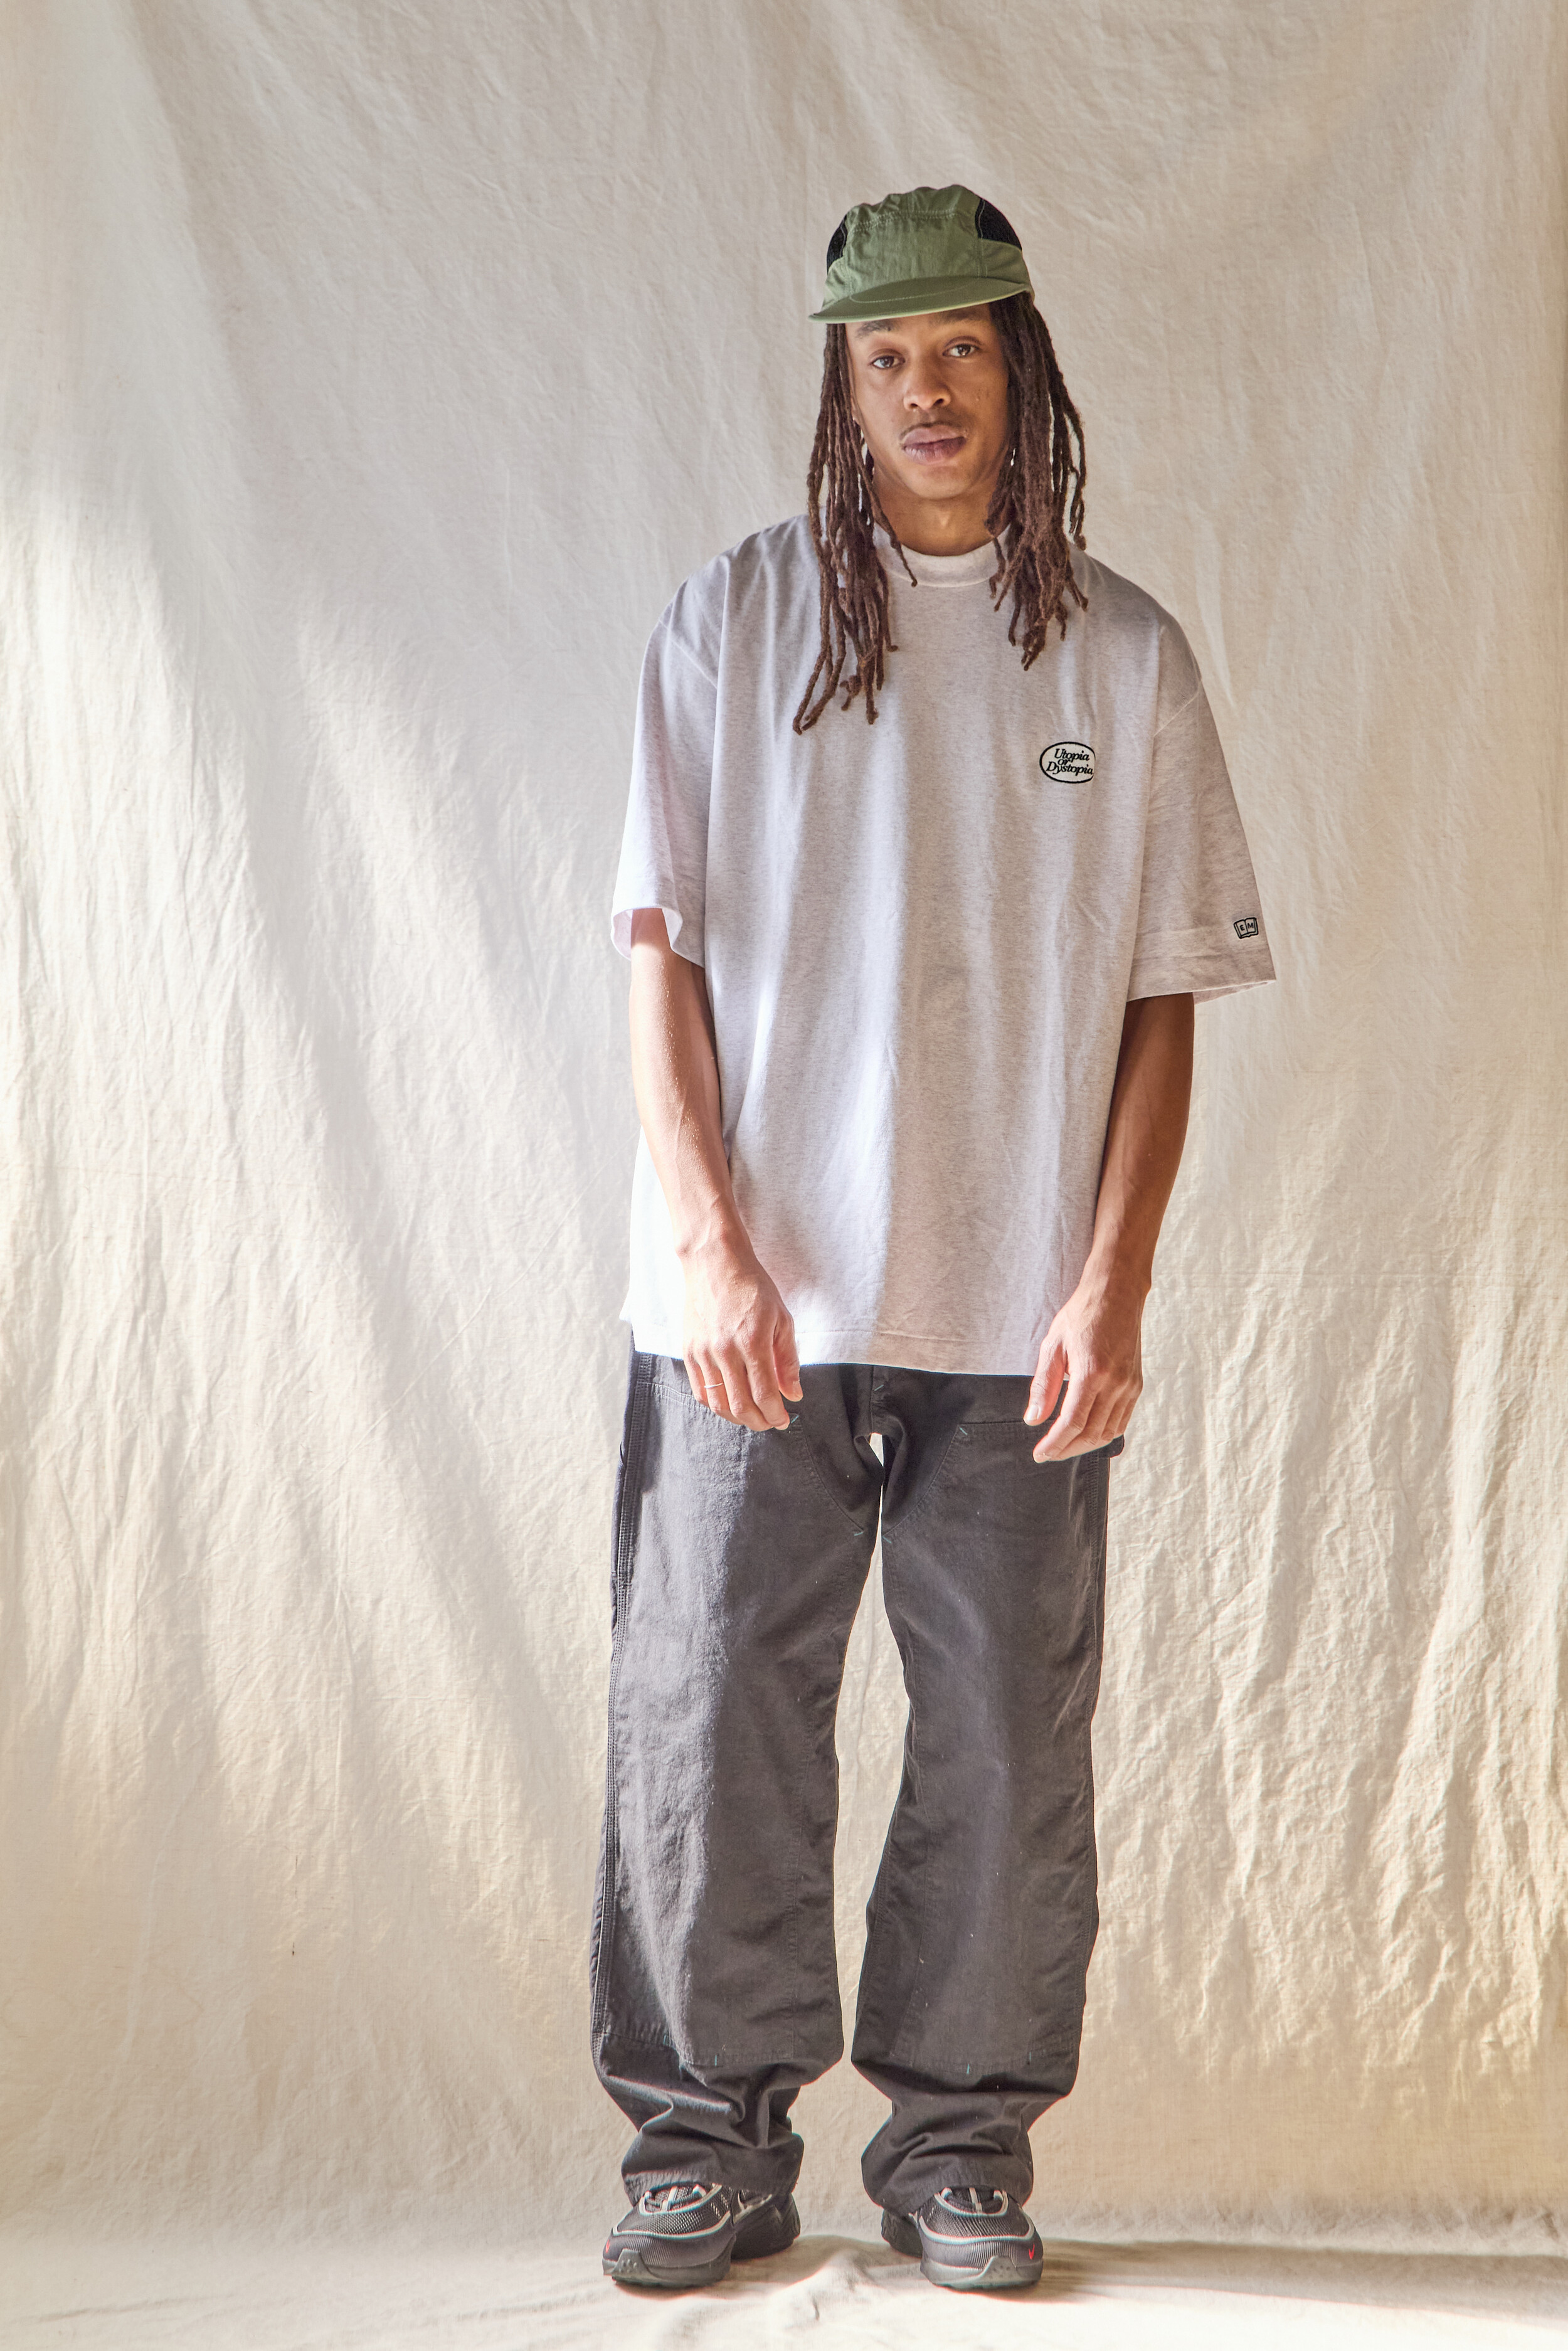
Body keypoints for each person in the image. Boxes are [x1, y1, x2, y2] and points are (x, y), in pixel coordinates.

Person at [593, 184, 1275, 2294]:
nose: (923, 389)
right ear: (842, 384)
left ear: (1018, 363)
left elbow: (1164, 994)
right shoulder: (733, 625)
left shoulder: (1124, 658)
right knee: (710, 1705)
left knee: (1004, 1735)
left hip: (1017, 1305)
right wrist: (707, 1240)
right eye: (884, 356)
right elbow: (654, 953)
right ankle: (704, 2141)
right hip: (753, 1302)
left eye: (958, 346)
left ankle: (959, 2140)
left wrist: (1113, 1279)